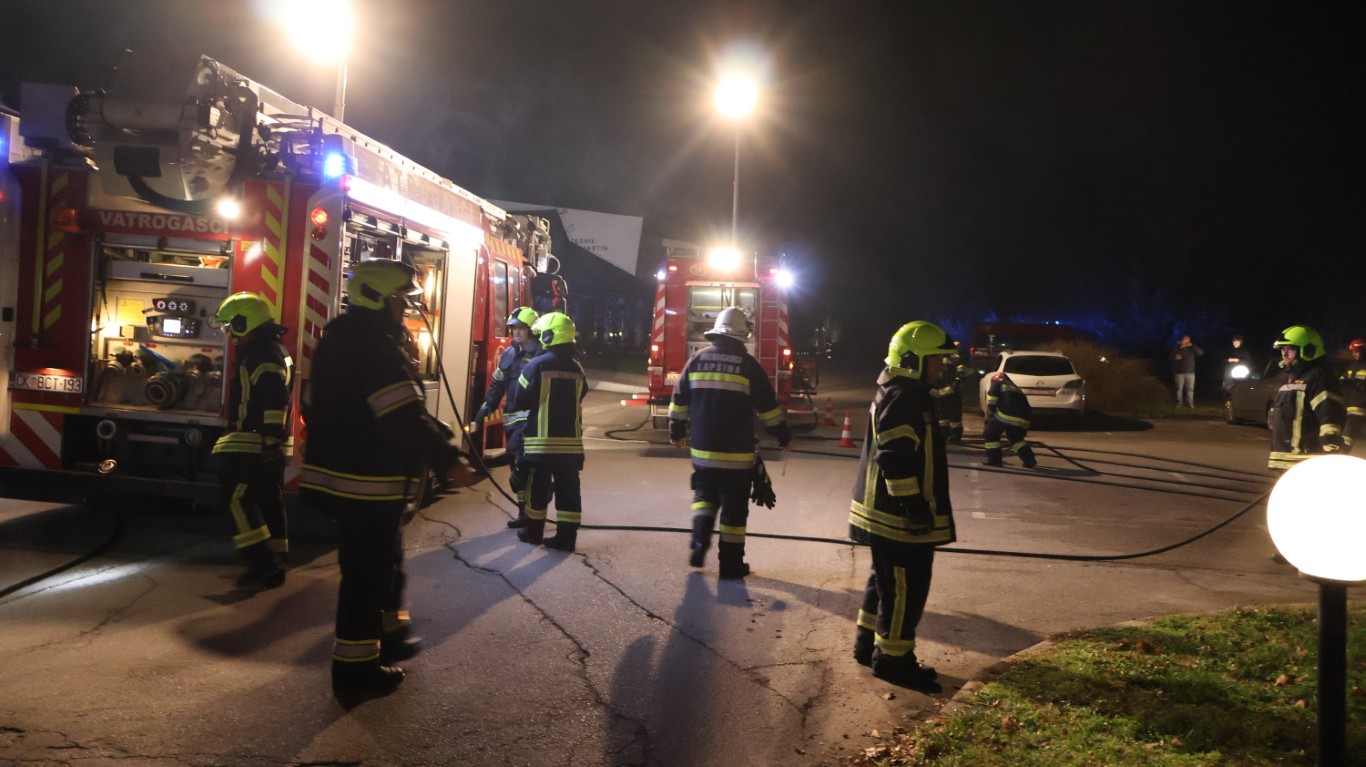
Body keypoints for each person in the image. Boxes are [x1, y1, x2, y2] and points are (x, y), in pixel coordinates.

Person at [299, 259, 468, 696]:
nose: (406, 309)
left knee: (384, 563)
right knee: (365, 578)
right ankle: (355, 673)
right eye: (401, 301)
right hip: (368, 483)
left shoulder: (341, 340)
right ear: (379, 299)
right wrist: (448, 459)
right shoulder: (374, 349)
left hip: (346, 477)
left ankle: (391, 636)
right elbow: (401, 419)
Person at [849, 321, 957, 692]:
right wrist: (914, 507)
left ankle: (868, 645)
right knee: (905, 590)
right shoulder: (906, 395)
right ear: (913, 360)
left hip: (885, 514)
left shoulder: (898, 389)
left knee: (885, 583)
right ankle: (893, 661)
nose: (941, 367)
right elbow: (894, 458)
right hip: (897, 518)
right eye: (936, 360)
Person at [669, 307, 791, 578]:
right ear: (741, 335)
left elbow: (679, 399)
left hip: (702, 454)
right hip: (737, 458)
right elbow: (768, 409)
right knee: (734, 512)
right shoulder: (748, 365)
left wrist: (676, 431)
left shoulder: (697, 360)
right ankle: (730, 565)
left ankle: (699, 541)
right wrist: (783, 436)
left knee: (705, 498)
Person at [210, 292, 293, 590]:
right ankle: (276, 561)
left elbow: (275, 397)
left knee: (234, 499)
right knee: (268, 500)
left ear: (244, 324)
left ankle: (262, 563)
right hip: (263, 442)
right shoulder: (272, 349)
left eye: (231, 327)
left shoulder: (261, 354)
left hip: (253, 440)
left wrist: (269, 438)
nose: (229, 334)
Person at [510, 311, 588, 551]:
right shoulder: (578, 368)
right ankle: (566, 539)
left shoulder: (537, 364)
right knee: (569, 492)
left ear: (549, 336)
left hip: (540, 445)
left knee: (537, 489)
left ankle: (533, 533)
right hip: (571, 447)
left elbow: (519, 399)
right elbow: (582, 394)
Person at [474, 307, 542, 528]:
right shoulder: (509, 354)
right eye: (514, 328)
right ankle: (523, 512)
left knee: (526, 464)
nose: (516, 332)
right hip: (512, 421)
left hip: (534, 423)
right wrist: (488, 405)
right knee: (516, 468)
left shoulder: (542, 355)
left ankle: (535, 510)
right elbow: (498, 383)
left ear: (532, 330)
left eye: (521, 328)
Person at [1267, 325, 1346, 471]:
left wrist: (1330, 442)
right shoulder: (1290, 377)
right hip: (1285, 460)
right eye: (1283, 349)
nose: (1285, 353)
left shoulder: (1320, 377)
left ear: (1309, 350)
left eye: (1290, 349)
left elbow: (1329, 412)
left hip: (1305, 460)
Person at [981, 366, 1037, 468]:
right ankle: (1029, 460)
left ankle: (994, 460)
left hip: (1006, 416)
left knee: (990, 434)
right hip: (1024, 419)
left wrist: (990, 415)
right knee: (1016, 439)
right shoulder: (1016, 388)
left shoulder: (997, 381)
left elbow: (992, 400)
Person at [929, 350, 967, 443]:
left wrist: (954, 387)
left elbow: (960, 378)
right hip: (941, 392)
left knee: (954, 417)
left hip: (952, 394)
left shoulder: (957, 361)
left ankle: (955, 436)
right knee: (942, 416)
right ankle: (944, 434)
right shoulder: (939, 358)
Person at [1339, 338, 1365, 453]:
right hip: (1350, 406)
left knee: (1348, 436)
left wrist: (1357, 384)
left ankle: (1341, 456)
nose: (1354, 354)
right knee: (1347, 434)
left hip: (1360, 408)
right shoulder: (1352, 366)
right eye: (1353, 352)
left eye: (1357, 351)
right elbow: (1342, 381)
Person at [1170, 334, 1203, 407]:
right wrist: (1175, 357)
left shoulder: (1192, 349)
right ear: (1181, 340)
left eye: (1188, 339)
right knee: (1179, 389)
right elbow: (1170, 357)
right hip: (1179, 372)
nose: (1186, 341)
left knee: (1190, 389)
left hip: (1190, 372)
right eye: (1185, 339)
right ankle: (1179, 403)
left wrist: (1192, 346)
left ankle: (1190, 404)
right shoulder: (1177, 348)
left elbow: (1200, 353)